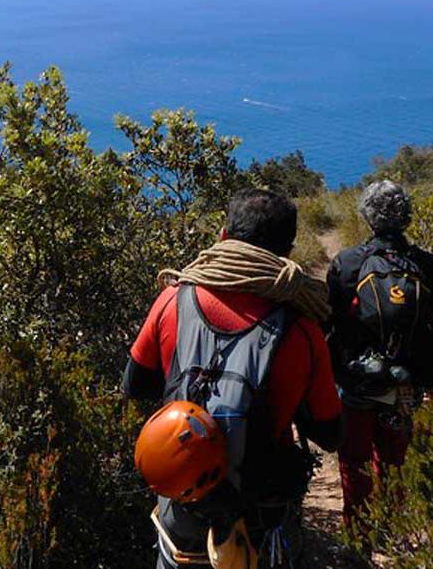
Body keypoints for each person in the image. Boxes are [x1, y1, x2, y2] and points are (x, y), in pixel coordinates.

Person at [125, 188, 342, 568]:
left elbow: (135, 386)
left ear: (223, 235)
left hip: (181, 508)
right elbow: (329, 432)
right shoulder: (302, 330)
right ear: (287, 252)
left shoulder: (172, 300)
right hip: (259, 516)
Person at [327, 180, 433, 528]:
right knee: (395, 461)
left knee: (354, 460)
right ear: (405, 216)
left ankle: (359, 532)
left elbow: (334, 325)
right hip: (406, 388)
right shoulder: (426, 265)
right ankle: (395, 530)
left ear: (368, 217)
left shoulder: (347, 264)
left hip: (358, 385)